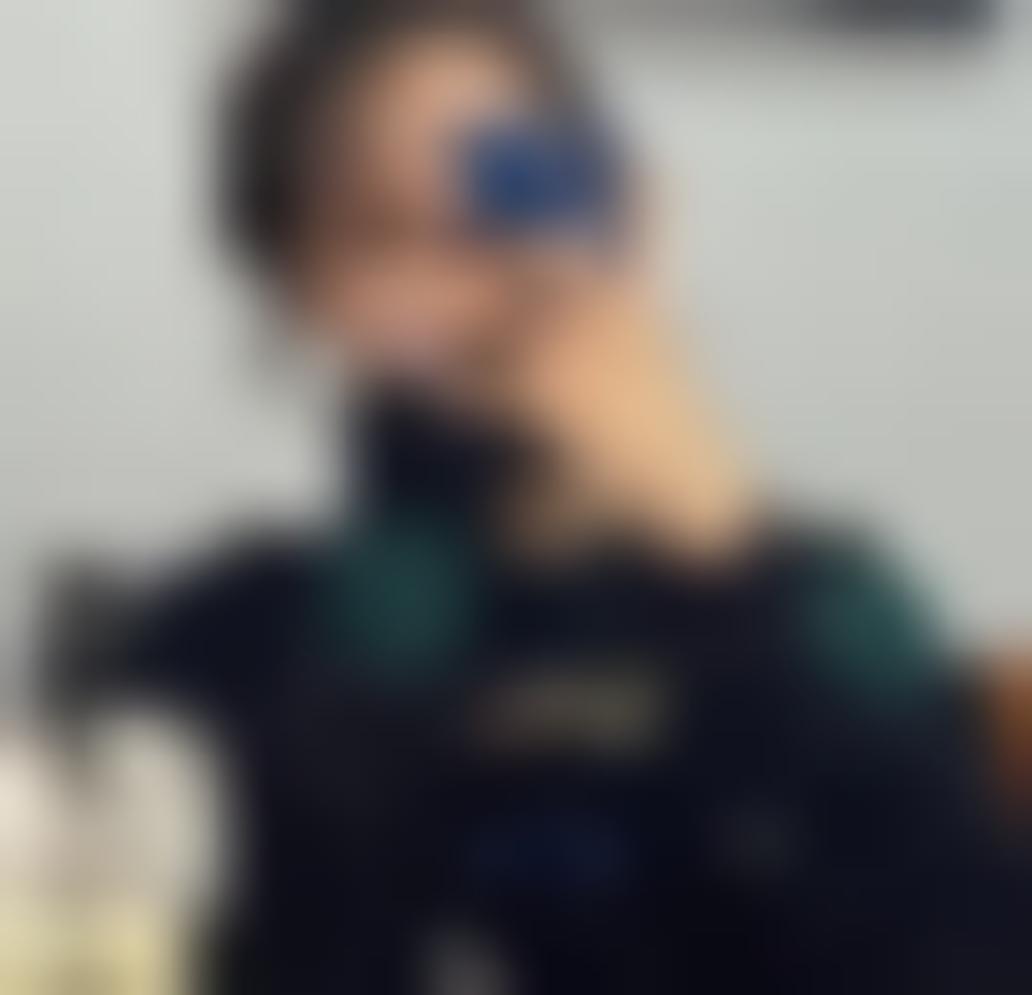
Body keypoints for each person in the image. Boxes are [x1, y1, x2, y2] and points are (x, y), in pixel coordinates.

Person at [70, 2, 1023, 992]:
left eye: (514, 189)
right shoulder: (230, 648)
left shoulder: (830, 616)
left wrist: (733, 560)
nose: (493, 275)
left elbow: (960, 951)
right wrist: (386, 668)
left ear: (628, 212)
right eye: (391, 230)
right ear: (303, 287)